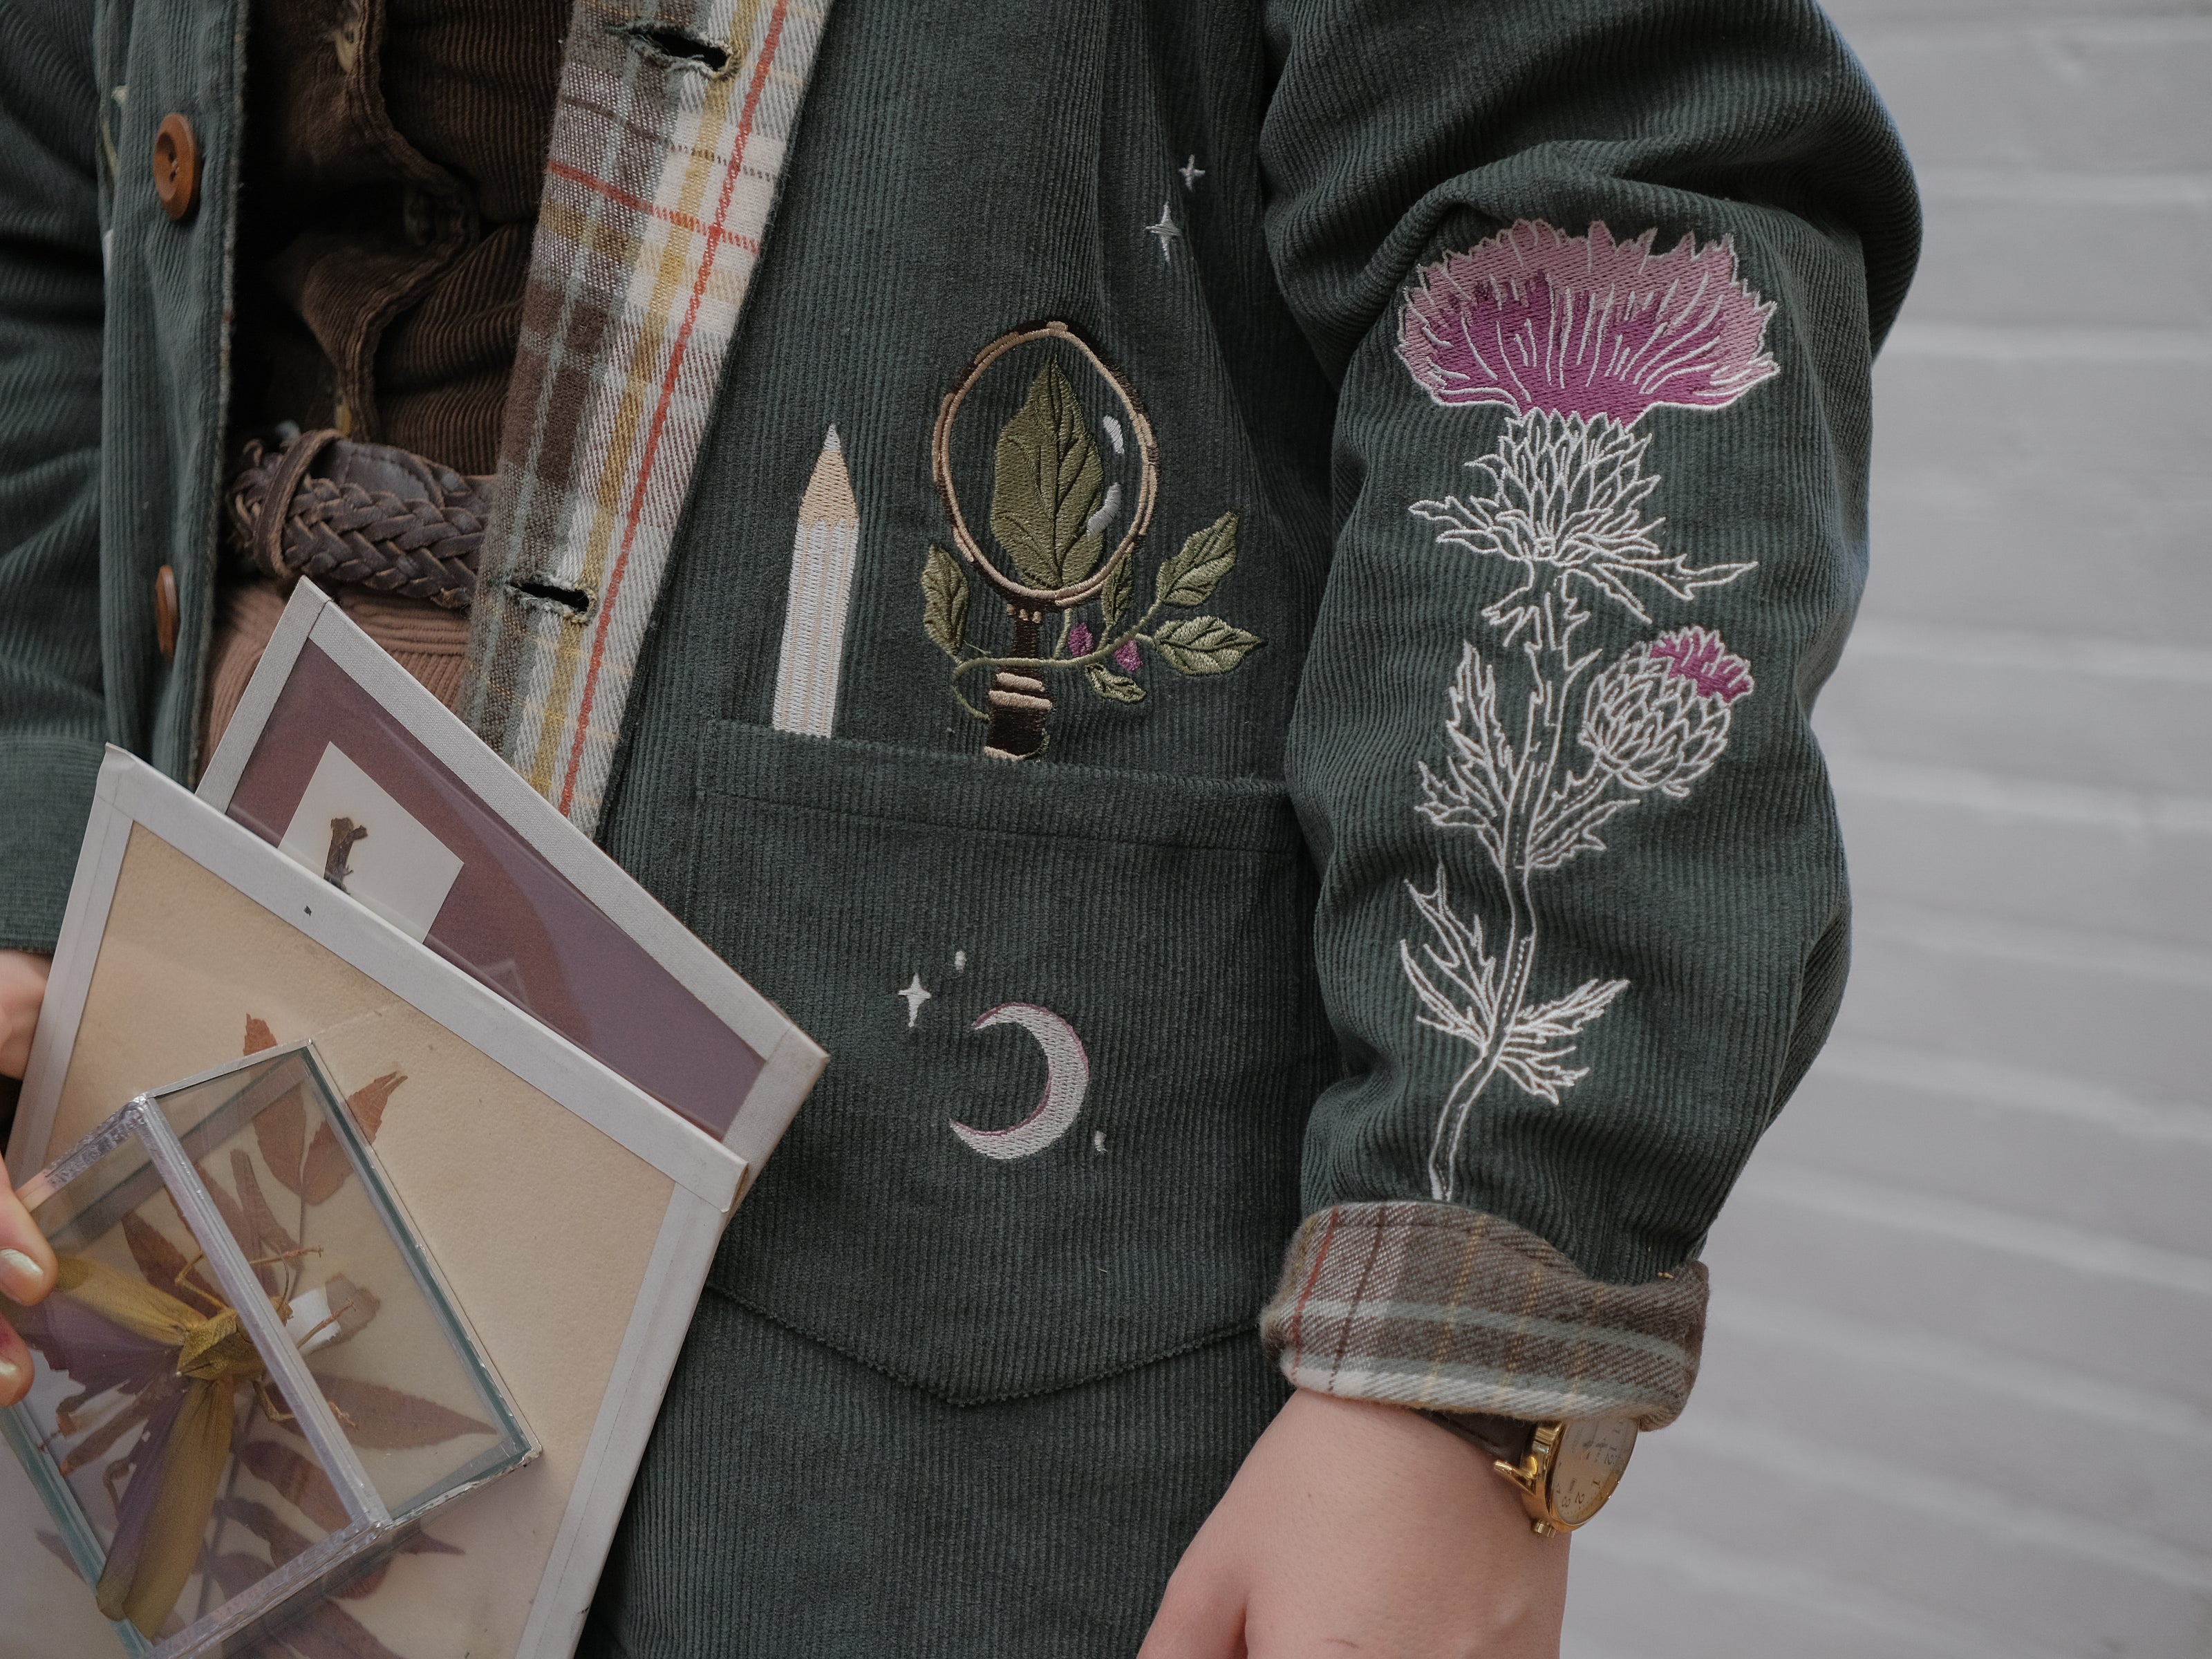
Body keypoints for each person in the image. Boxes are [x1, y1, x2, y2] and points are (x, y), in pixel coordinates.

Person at [0, 0, 1918, 1652]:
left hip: (950, 1342)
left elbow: (1599, 191)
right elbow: (44, 233)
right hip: (196, 1066)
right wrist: (25, 895)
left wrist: (1456, 1352)